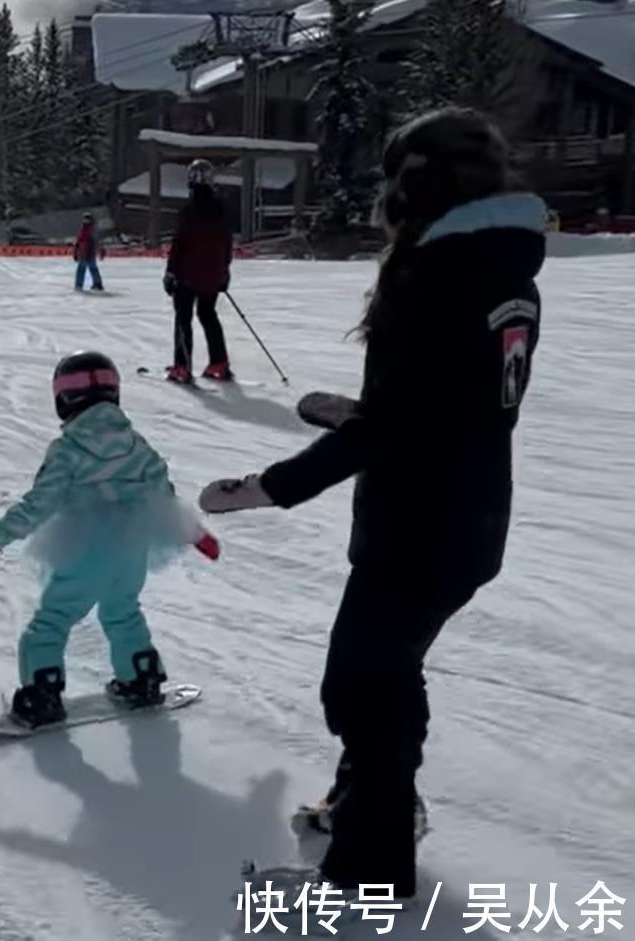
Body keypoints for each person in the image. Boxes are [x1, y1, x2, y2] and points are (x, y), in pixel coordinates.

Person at [199, 108, 546, 899]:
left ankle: (370, 865)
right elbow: (450, 402)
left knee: (361, 684)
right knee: (385, 673)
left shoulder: (434, 275)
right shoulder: (504, 268)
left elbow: (396, 427)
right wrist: (347, 410)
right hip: (472, 515)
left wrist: (265, 487)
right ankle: (373, 800)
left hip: (417, 522)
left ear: (412, 187)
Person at [0, 351, 220, 728]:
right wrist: (194, 533)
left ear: (62, 399)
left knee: (53, 620)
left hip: (85, 549)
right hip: (131, 548)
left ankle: (43, 695)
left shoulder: (68, 450)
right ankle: (141, 678)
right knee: (122, 611)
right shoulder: (136, 445)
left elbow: (39, 504)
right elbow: (163, 494)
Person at [164, 158, 233, 383]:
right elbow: (226, 243)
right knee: (208, 315)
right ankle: (219, 363)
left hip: (187, 274)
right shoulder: (220, 210)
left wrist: (171, 272)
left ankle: (182, 366)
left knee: (183, 318)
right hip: (213, 275)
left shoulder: (189, 210)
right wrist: (224, 271)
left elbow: (180, 244)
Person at [73, 213, 104, 291]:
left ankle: (80, 285)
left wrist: (76, 251)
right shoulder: (89, 230)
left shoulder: (87, 230)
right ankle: (97, 283)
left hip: (86, 253)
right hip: (87, 253)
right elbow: (79, 242)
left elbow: (79, 242)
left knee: (83, 269)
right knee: (91, 268)